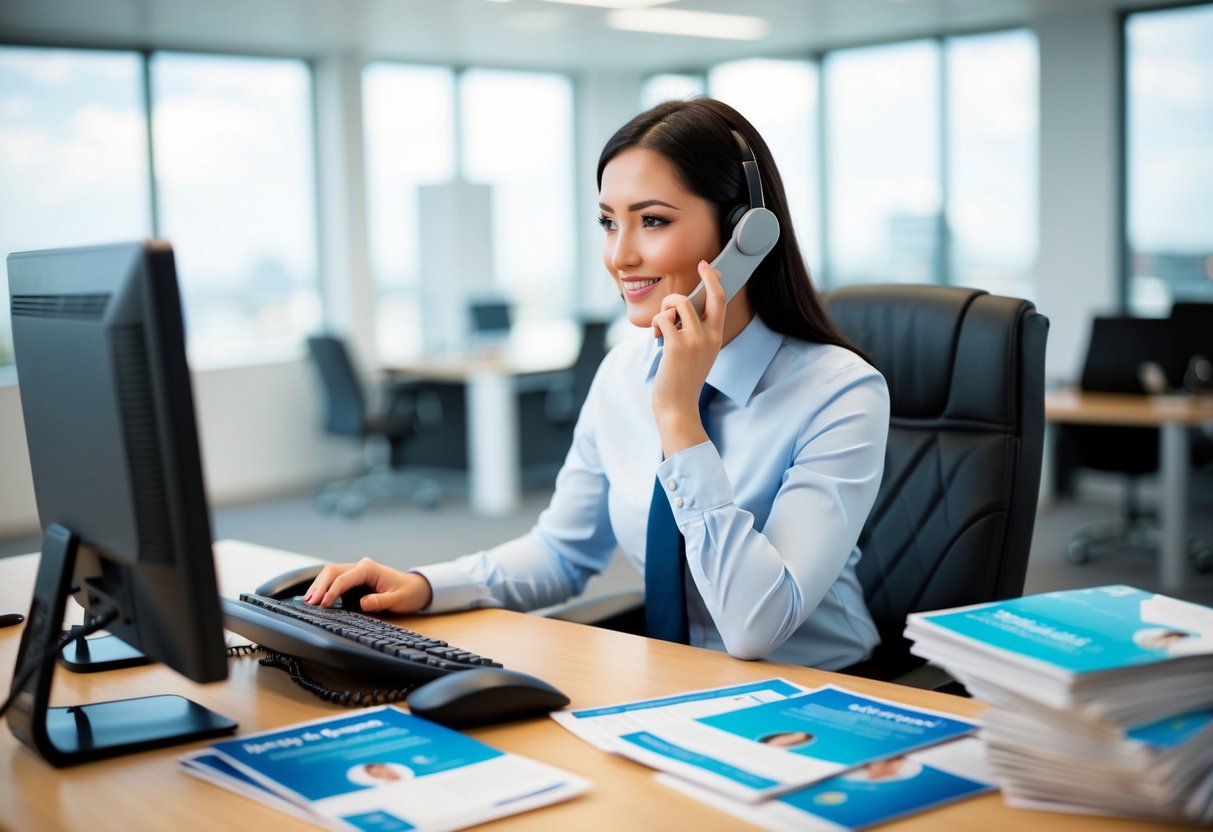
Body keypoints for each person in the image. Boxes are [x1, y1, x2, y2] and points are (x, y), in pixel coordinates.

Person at [304, 98, 890, 671]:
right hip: (670, 684)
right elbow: (563, 550)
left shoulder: (839, 393)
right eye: (610, 222)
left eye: (653, 221)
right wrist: (426, 585)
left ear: (747, 234)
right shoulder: (620, 373)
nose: (619, 255)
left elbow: (757, 627)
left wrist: (679, 418)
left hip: (823, 693)